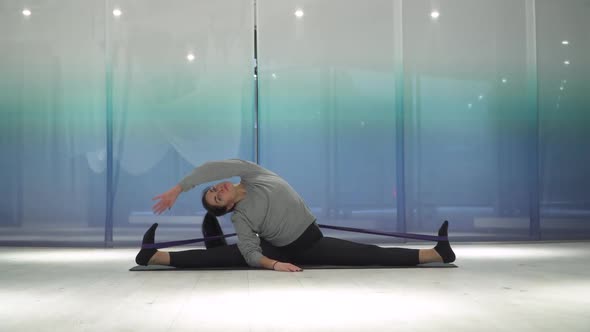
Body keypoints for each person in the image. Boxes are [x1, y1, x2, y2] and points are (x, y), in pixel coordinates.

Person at [136, 159, 456, 272]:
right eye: (217, 197)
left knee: (368, 254)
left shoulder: (253, 174)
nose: (217, 188)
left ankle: (437, 253)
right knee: (223, 256)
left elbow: (213, 167)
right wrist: (274, 264)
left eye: (213, 189)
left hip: (312, 243)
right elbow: (250, 253)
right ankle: (155, 257)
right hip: (282, 250)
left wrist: (181, 188)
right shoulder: (241, 218)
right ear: (227, 208)